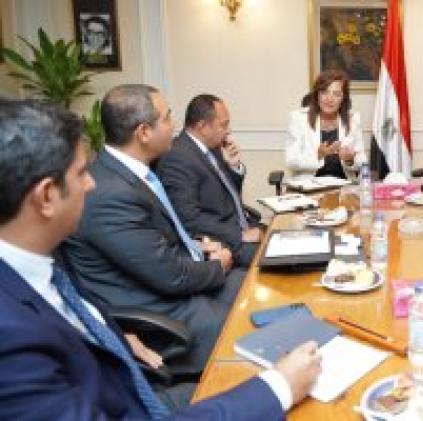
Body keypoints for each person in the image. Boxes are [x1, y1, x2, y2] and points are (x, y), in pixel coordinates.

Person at [0, 98, 321, 419]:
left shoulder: (35, 263)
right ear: (46, 196)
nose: (91, 183)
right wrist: (279, 388)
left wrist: (112, 335)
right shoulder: (12, 339)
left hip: (128, 379)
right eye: (82, 173)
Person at [60, 85, 242, 378]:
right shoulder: (109, 193)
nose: (174, 126)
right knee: (250, 327)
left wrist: (197, 246)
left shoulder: (130, 172)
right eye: (167, 118)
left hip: (174, 282)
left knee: (258, 290)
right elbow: (172, 276)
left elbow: (154, 241)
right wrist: (218, 266)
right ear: (144, 132)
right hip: (162, 314)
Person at [156, 94, 262, 267]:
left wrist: (233, 167)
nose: (228, 131)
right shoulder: (177, 158)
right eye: (224, 125)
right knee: (282, 259)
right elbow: (190, 219)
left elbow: (226, 196)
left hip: (243, 225)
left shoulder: (212, 147)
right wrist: (240, 235)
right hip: (225, 241)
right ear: (203, 127)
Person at [285, 69, 366, 180]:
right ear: (317, 95)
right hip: (309, 185)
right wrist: (318, 155)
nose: (330, 99)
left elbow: (362, 161)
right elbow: (291, 161)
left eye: (336, 94)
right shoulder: (298, 119)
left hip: (344, 185)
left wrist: (350, 160)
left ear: (343, 98)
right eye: (325, 92)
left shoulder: (352, 119)